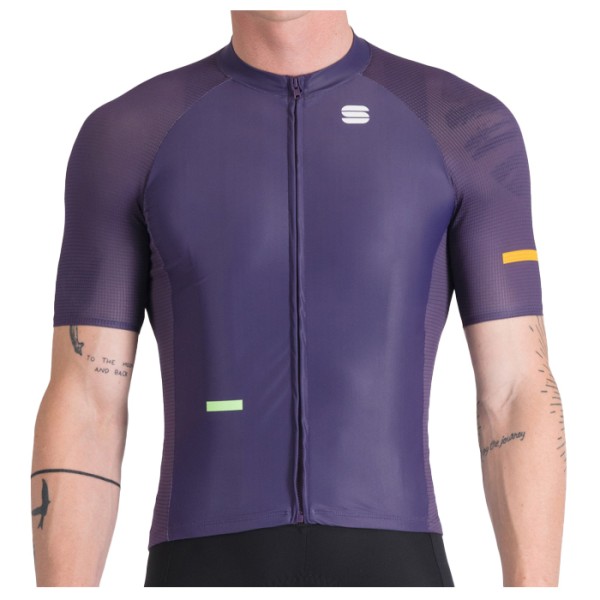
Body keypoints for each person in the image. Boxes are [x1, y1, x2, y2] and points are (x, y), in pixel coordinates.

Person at [31, 10, 566, 587]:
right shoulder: (130, 134)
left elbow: (516, 390)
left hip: (394, 564)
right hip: (199, 566)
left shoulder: (460, 125)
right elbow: (87, 397)